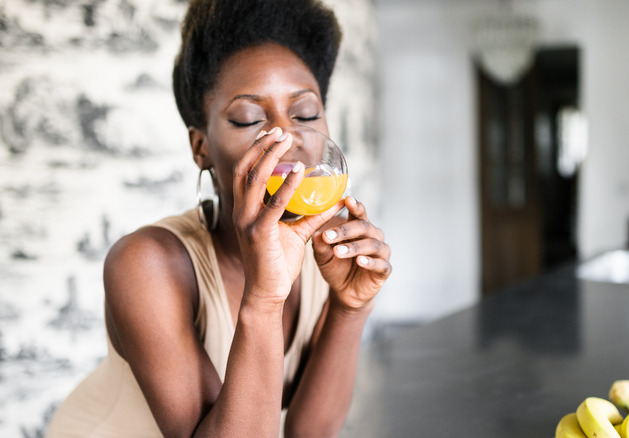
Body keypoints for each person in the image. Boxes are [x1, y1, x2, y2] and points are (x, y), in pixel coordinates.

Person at [46, 0, 391, 436]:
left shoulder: (325, 250)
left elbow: (309, 432)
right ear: (201, 148)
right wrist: (264, 299)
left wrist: (349, 307)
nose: (287, 138)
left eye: (306, 114)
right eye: (249, 119)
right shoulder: (146, 263)